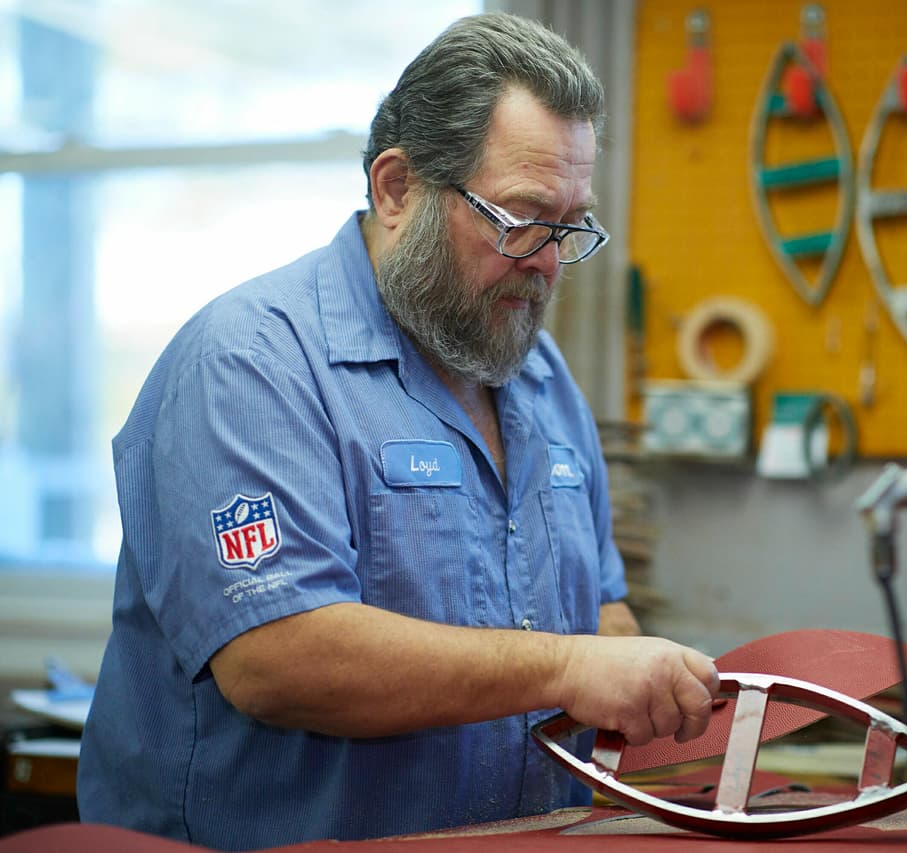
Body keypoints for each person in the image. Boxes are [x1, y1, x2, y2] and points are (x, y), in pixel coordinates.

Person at [76, 13, 719, 850]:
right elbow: (279, 658)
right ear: (396, 189)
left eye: (571, 226)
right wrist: (570, 668)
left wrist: (650, 669)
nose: (551, 261)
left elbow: (599, 610)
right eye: (521, 218)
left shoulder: (540, 375)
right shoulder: (252, 363)